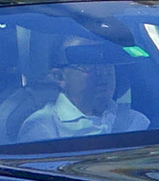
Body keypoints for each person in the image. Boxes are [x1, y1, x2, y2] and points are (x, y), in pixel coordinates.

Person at [17, 38, 151, 141]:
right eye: (89, 65)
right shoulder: (43, 127)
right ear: (59, 77)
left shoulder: (138, 122)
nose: (102, 72)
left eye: (107, 63)